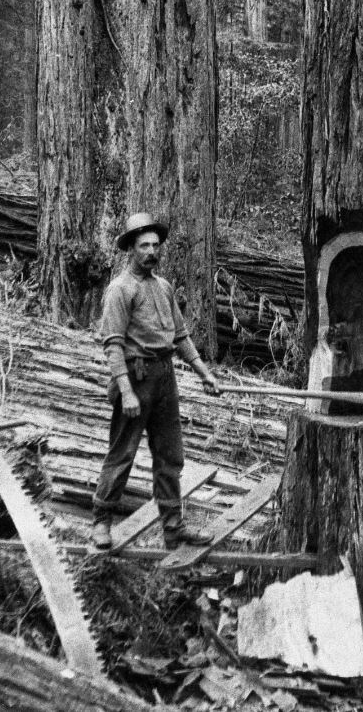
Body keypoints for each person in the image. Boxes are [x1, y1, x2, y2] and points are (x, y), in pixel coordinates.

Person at [91, 212, 221, 550]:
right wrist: (125, 391)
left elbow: (180, 336)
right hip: (135, 378)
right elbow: (113, 344)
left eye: (155, 245)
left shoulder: (163, 287)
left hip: (165, 378)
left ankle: (173, 529)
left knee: (170, 456)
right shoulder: (120, 289)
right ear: (130, 249)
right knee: (122, 453)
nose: (151, 251)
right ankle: (101, 521)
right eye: (144, 246)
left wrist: (205, 374)